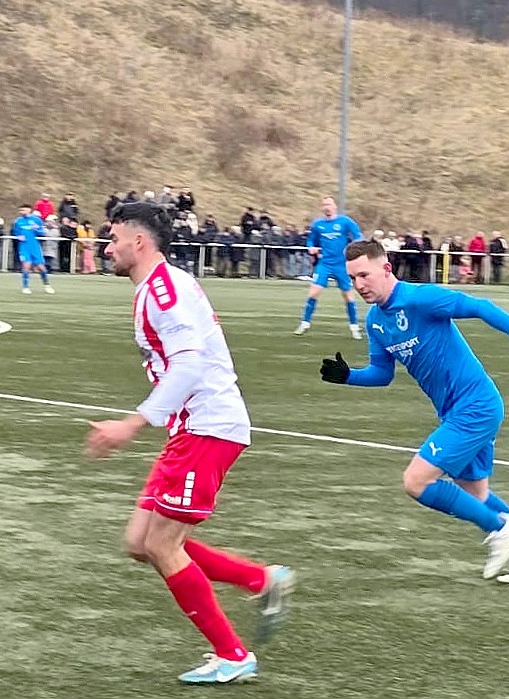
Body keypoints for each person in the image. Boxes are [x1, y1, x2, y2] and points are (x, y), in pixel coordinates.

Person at [86, 202, 294, 684]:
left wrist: (131, 424)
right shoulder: (157, 286)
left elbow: (190, 362)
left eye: (114, 239)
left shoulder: (164, 290)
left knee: (162, 544)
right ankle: (262, 580)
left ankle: (233, 655)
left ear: (139, 242)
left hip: (208, 426)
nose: (107, 248)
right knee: (140, 543)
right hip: (192, 428)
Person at [319, 240, 509, 584]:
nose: (358, 284)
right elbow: (382, 374)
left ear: (386, 269)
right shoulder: (376, 321)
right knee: (476, 495)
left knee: (416, 481)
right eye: (351, 278)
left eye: (364, 275)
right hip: (454, 411)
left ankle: (500, 527)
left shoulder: (420, 298)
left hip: (476, 405)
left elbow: (480, 306)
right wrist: (348, 376)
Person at [294, 196, 364, 339]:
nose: (327, 207)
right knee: (313, 293)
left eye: (329, 204)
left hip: (342, 265)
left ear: (334, 206)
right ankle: (305, 323)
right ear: (322, 208)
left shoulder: (345, 221)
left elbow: (358, 236)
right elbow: (311, 240)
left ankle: (354, 326)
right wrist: (311, 247)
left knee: (348, 295)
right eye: (324, 205)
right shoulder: (318, 224)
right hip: (325, 264)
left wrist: (353, 248)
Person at [11, 205, 54, 294]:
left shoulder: (36, 220)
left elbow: (42, 233)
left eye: (23, 210)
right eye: (20, 210)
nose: (21, 212)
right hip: (24, 247)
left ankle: (47, 285)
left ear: (29, 210)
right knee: (26, 266)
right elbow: (15, 232)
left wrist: (36, 229)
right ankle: (25, 287)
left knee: (41, 268)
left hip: (35, 247)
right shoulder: (18, 221)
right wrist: (19, 236)